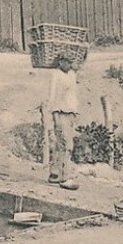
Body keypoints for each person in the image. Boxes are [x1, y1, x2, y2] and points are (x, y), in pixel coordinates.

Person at [46, 55, 79, 191]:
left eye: (71, 62)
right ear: (60, 62)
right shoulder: (56, 75)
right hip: (60, 112)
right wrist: (55, 115)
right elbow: (53, 96)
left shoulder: (72, 74)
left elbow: (73, 95)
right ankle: (65, 177)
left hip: (70, 112)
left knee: (61, 144)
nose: (69, 65)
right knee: (66, 145)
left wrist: (75, 113)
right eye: (66, 62)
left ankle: (55, 173)